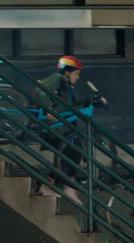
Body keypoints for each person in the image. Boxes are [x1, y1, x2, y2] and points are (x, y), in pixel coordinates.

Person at [33, 55, 93, 205]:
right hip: (54, 126)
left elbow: (73, 102)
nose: (78, 77)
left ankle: (54, 186)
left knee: (72, 152)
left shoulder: (67, 86)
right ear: (67, 71)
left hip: (62, 127)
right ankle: (63, 188)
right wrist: (47, 110)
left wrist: (92, 101)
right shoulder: (57, 78)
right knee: (73, 150)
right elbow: (41, 90)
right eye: (76, 73)